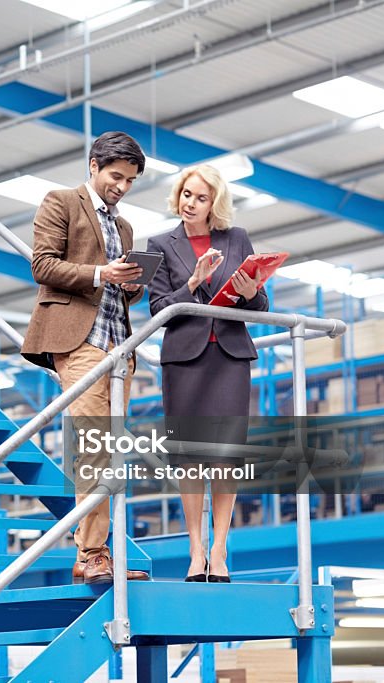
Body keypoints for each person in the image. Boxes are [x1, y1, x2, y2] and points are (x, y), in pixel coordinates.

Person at [21, 131, 151, 584]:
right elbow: (43, 265)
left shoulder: (124, 226)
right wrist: (101, 272)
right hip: (80, 342)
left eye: (130, 181)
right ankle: (92, 553)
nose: (122, 187)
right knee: (95, 447)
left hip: (120, 346)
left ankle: (95, 553)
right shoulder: (60, 202)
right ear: (93, 165)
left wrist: (131, 283)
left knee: (112, 453)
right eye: (116, 176)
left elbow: (119, 293)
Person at [146, 164, 268, 583]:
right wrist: (193, 283)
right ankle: (195, 548)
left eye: (200, 197)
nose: (190, 203)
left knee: (225, 460)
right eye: (186, 194)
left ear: (214, 202)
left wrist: (251, 293)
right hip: (185, 361)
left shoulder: (237, 238)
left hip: (229, 358)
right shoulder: (159, 244)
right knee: (191, 459)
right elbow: (156, 309)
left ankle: (219, 550)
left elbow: (260, 306)